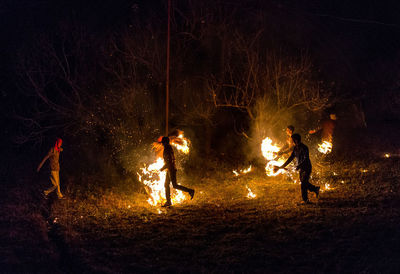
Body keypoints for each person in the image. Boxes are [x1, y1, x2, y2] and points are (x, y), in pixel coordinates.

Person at [273, 134, 319, 204]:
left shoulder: (304, 148)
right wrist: (282, 166)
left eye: (293, 140)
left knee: (303, 183)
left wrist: (299, 166)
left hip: (307, 167)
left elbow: (306, 158)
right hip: (301, 168)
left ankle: (305, 200)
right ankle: (315, 189)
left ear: (296, 140)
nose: (292, 141)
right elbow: (290, 158)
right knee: (304, 182)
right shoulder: (295, 148)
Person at [160, 136, 194, 207]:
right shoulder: (168, 148)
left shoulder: (167, 148)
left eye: (163, 142)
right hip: (170, 169)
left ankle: (190, 191)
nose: (162, 144)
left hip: (171, 169)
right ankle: (168, 202)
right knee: (166, 185)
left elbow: (169, 161)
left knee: (174, 185)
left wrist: (163, 168)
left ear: (165, 142)